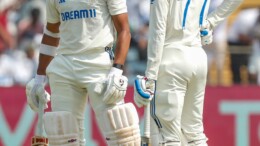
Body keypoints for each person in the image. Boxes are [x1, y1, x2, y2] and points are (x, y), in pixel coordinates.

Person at [25, 0, 141, 145]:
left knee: (123, 137)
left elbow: (124, 29)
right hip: (64, 66)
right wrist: (39, 78)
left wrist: (117, 69)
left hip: (99, 63)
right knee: (63, 138)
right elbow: (51, 33)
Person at [134, 0, 243, 146]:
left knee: (168, 136)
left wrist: (150, 77)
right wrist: (210, 22)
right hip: (198, 57)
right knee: (194, 135)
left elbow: (158, 31)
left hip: (171, 59)